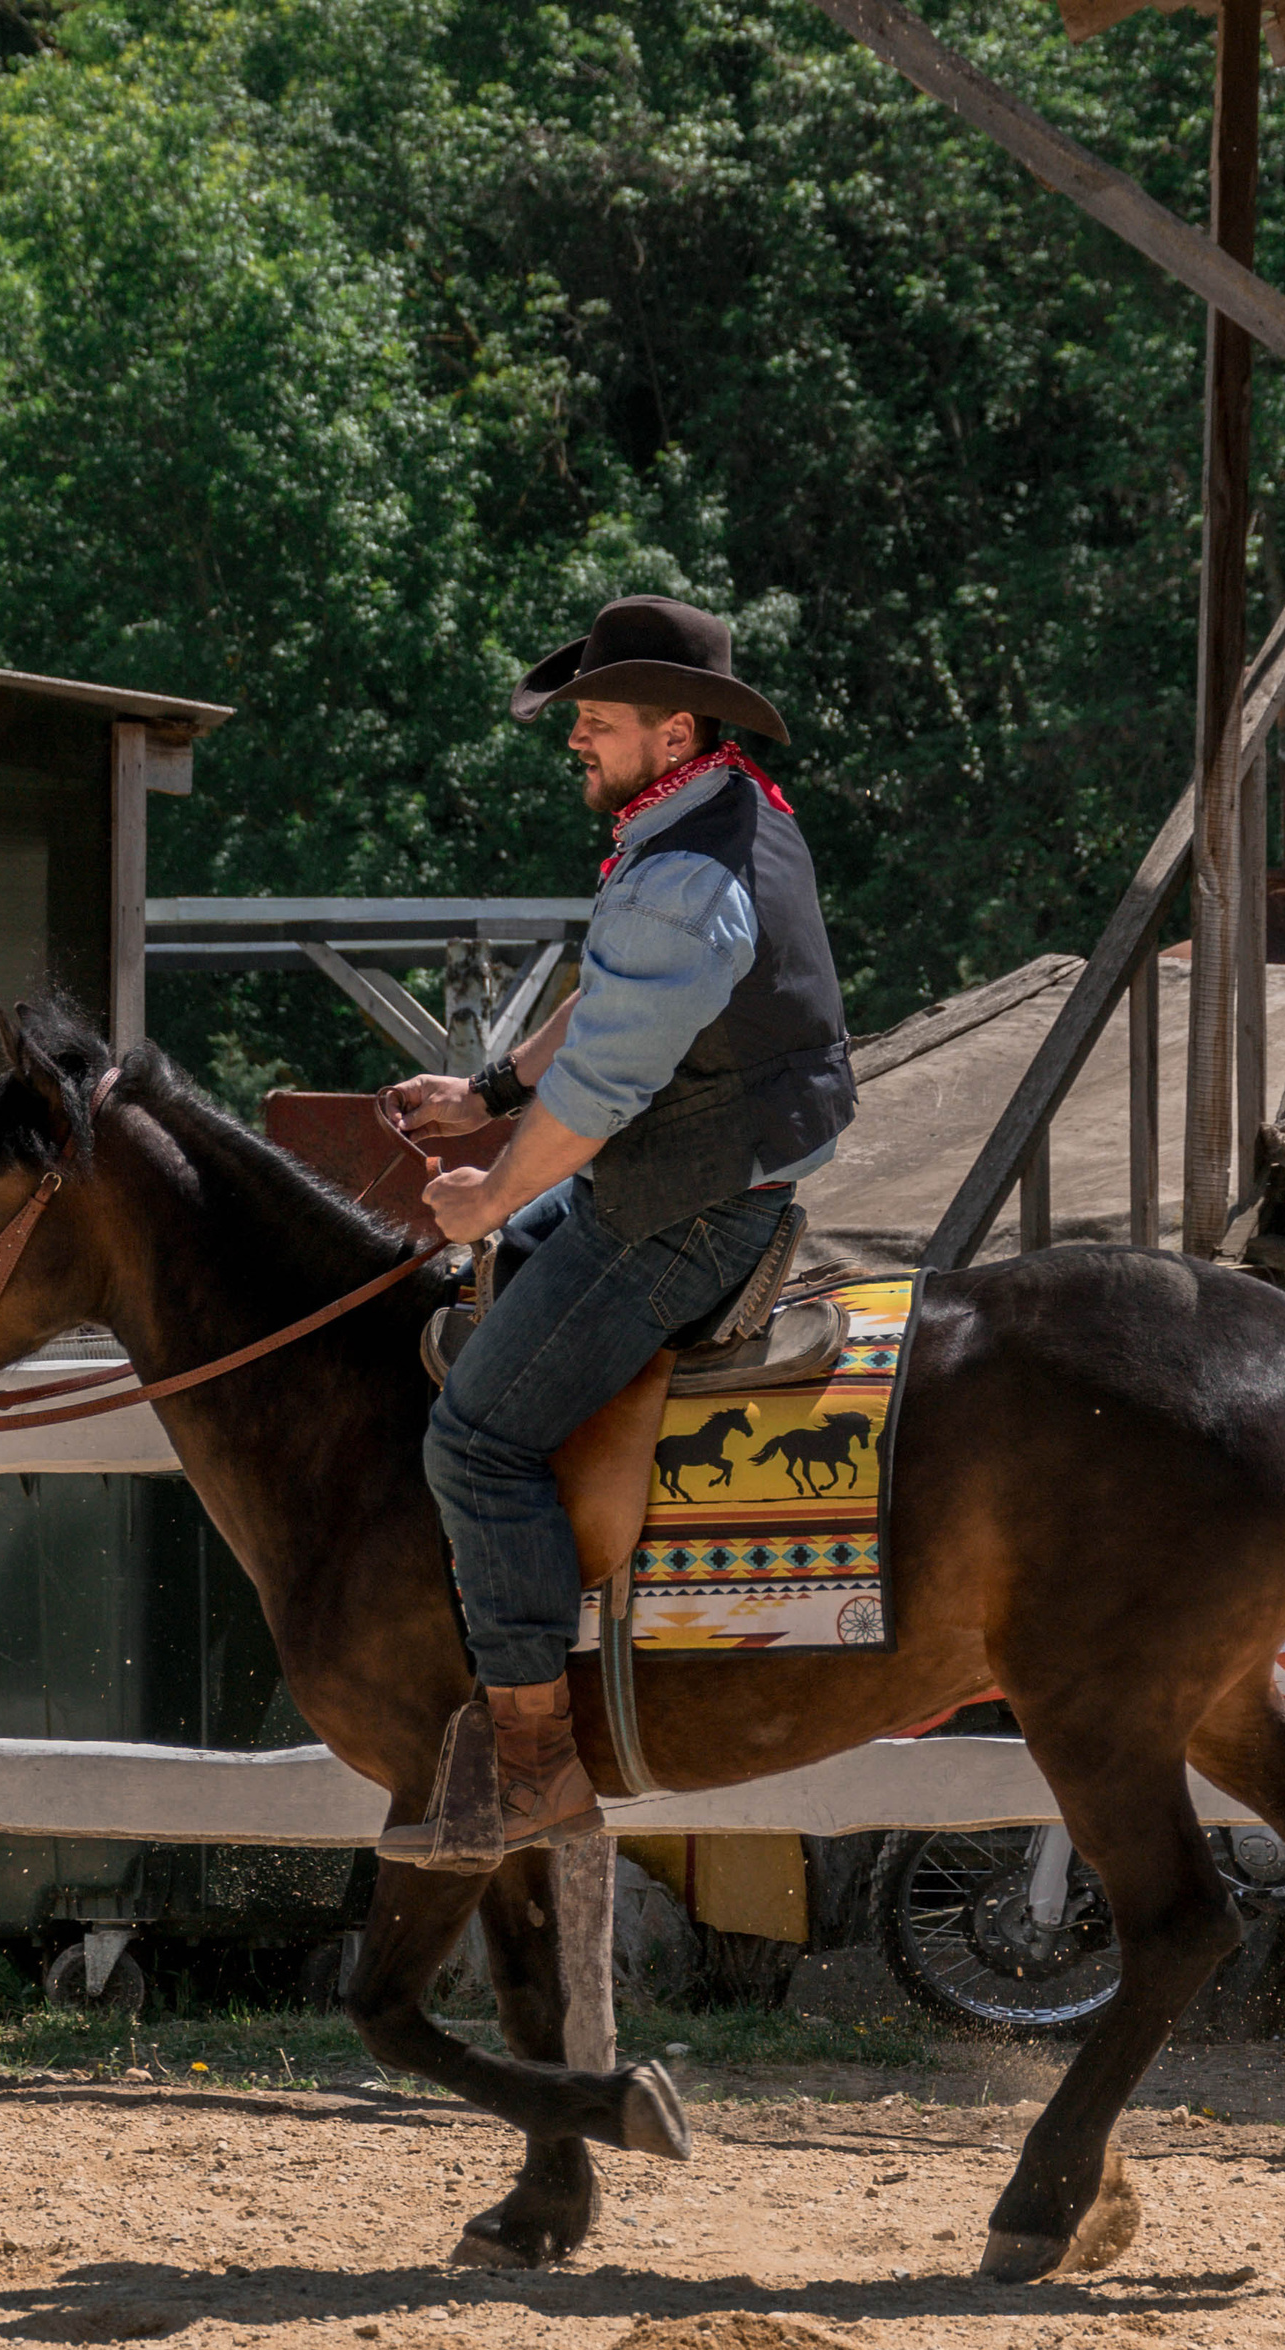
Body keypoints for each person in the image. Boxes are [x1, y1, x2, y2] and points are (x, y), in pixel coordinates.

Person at [375, 594, 856, 1861]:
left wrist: (488, 1191)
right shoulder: (717, 811)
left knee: (473, 1440)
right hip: (702, 1167)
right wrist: (487, 1091)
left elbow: (600, 1090)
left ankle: (535, 1766)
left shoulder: (687, 874)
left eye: (595, 720)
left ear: (673, 732)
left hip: (684, 1205)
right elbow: (610, 994)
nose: (573, 739)